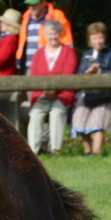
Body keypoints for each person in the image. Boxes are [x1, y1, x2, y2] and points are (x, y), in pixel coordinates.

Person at [65, 22, 111, 156]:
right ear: (90, 39)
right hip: (88, 94)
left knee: (98, 116)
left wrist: (100, 70)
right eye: (95, 38)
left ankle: (96, 151)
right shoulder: (86, 55)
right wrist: (87, 72)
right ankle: (87, 150)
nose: (98, 41)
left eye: (100, 37)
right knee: (80, 115)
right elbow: (79, 74)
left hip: (106, 94)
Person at [25, 19, 75, 155]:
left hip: (62, 94)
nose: (53, 37)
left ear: (60, 34)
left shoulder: (68, 52)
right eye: (50, 34)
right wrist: (45, 91)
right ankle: (33, 152)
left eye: (55, 33)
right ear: (45, 35)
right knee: (35, 114)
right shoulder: (38, 54)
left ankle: (55, 149)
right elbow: (34, 75)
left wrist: (55, 90)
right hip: (41, 94)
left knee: (56, 113)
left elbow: (68, 74)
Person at [15, 0, 72, 66]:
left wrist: (67, 61)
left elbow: (67, 41)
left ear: (43, 3)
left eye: (34, 4)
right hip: (27, 66)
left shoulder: (57, 16)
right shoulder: (26, 18)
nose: (31, 7)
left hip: (48, 65)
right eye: (29, 5)